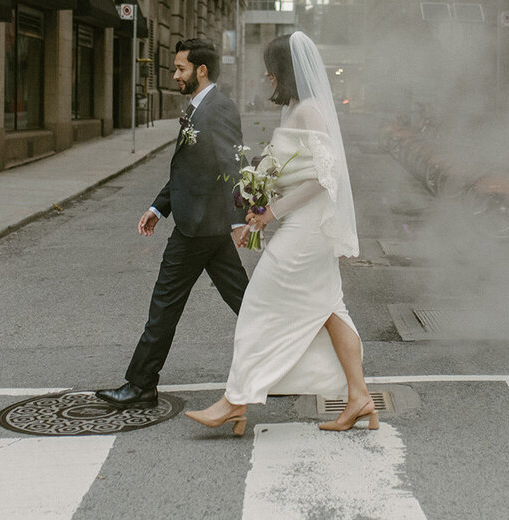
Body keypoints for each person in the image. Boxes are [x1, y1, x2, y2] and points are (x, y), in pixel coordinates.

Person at [184, 32, 372, 436]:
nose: (266, 74)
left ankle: (235, 401)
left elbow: (325, 176)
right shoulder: (295, 109)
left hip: (307, 228)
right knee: (330, 310)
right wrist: (260, 187)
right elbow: (295, 168)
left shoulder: (309, 111)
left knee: (257, 304)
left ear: (284, 69)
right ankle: (359, 397)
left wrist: (270, 212)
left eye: (271, 66)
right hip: (303, 223)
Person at [96, 38, 249, 409]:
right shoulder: (199, 109)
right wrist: (158, 207)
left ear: (201, 70)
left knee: (164, 306)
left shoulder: (219, 110)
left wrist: (238, 220)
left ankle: (140, 385)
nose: (174, 75)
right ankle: (293, 361)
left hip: (199, 228)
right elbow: (189, 170)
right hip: (204, 226)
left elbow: (232, 167)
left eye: (180, 69)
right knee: (249, 303)